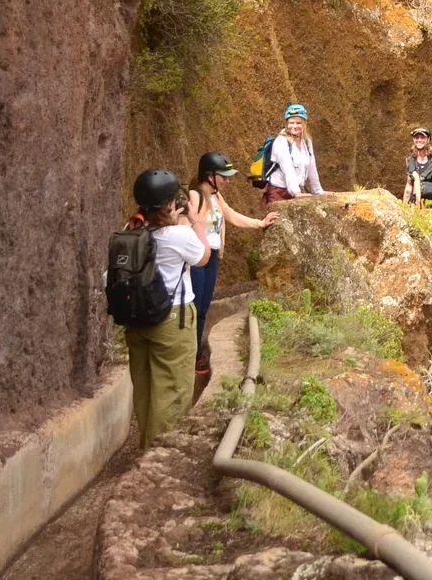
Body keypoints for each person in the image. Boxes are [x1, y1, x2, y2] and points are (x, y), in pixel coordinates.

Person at [127, 168, 208, 449]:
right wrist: (195, 220)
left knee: (146, 388)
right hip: (172, 320)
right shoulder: (178, 235)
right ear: (169, 204)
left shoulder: (132, 230)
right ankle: (159, 456)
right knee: (172, 390)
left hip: (137, 321)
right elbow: (203, 256)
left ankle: (145, 446)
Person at [187, 152, 274, 379]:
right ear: (209, 176)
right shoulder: (195, 196)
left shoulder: (216, 196)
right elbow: (186, 225)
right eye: (223, 176)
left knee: (203, 307)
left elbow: (232, 216)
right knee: (194, 308)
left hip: (212, 258)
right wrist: (200, 249)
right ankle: (191, 355)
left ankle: (196, 352)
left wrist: (260, 223)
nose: (227, 180)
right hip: (197, 260)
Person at [265, 103, 325, 205]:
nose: (294, 126)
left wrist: (318, 190)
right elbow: (288, 168)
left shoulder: (306, 141)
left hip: (296, 189)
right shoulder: (281, 142)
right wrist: (296, 193)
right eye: (291, 123)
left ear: (304, 123)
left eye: (298, 123)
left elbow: (311, 166)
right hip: (279, 192)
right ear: (286, 123)